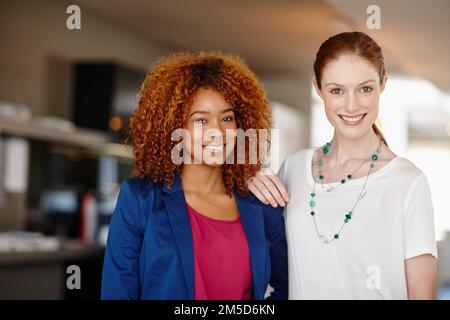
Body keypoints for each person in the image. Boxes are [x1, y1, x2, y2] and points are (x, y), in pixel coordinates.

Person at [248, 32, 437, 299]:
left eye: (365, 89)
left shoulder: (409, 182)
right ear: (318, 89)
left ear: (383, 85)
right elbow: (263, 253)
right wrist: (247, 181)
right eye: (337, 90)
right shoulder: (293, 167)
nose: (351, 105)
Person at [101, 52, 288, 300]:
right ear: (174, 127)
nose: (217, 132)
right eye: (201, 120)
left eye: (227, 118)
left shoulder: (260, 204)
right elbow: (118, 294)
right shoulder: (139, 199)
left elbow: (287, 286)